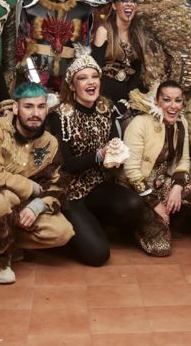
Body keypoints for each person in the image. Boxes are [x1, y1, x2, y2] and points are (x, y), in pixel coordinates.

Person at [47, 49, 144, 266]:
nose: (90, 82)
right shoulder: (59, 116)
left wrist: (117, 150)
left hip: (97, 187)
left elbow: (112, 146)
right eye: (82, 78)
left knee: (134, 204)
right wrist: (100, 155)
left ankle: (92, 223)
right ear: (72, 86)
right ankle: (73, 229)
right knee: (99, 255)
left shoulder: (105, 108)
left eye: (94, 77)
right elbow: (69, 164)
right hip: (71, 193)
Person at [0, 82, 74, 283]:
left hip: (22, 205)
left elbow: (58, 184)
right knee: (4, 199)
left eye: (40, 106)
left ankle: (6, 239)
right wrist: (31, 187)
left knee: (63, 231)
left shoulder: (49, 142)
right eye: (28, 106)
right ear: (16, 108)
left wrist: (38, 206)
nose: (35, 113)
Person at [123, 81, 191, 256]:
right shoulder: (140, 123)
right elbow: (132, 173)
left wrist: (177, 188)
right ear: (157, 101)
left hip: (163, 182)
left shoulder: (182, 123)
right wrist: (155, 204)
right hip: (139, 188)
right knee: (161, 248)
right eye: (167, 100)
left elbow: (184, 160)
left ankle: (164, 219)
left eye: (178, 101)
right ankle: (139, 223)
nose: (173, 106)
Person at [92, 0, 146, 104]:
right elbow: (95, 70)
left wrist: (128, 102)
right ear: (115, 5)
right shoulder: (104, 31)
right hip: (103, 97)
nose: (129, 4)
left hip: (127, 100)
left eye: (132, 0)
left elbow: (137, 74)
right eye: (124, 0)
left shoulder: (138, 34)